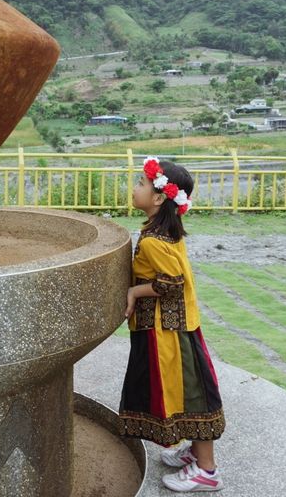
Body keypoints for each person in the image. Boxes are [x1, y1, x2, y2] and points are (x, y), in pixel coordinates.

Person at [118, 157, 225, 492]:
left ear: (160, 198)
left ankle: (206, 470)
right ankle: (195, 452)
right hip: (172, 326)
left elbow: (171, 283)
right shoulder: (162, 230)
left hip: (171, 331)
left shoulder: (153, 240)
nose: (135, 187)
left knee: (191, 396)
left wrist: (134, 290)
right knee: (186, 394)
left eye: (141, 183)